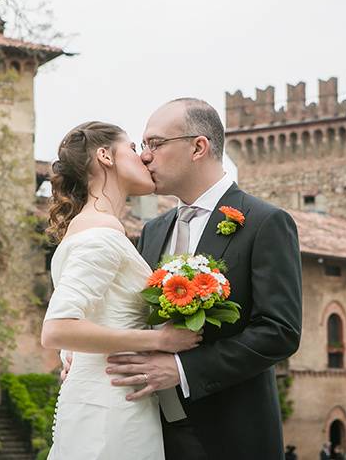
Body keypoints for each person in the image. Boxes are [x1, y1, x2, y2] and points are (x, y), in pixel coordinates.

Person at [102, 98, 303, 459]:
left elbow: (279, 330)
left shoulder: (264, 222)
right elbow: (138, 317)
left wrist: (182, 369)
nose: (145, 156)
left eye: (156, 143)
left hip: (231, 436)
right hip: (150, 433)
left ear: (198, 146)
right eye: (144, 145)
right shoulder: (153, 230)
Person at [40, 121, 202, 460]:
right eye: (131, 147)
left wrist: (72, 355)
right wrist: (159, 341)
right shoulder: (101, 232)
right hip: (113, 405)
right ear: (105, 156)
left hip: (107, 395)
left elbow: (86, 317)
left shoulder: (88, 227)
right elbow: (57, 328)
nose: (143, 157)